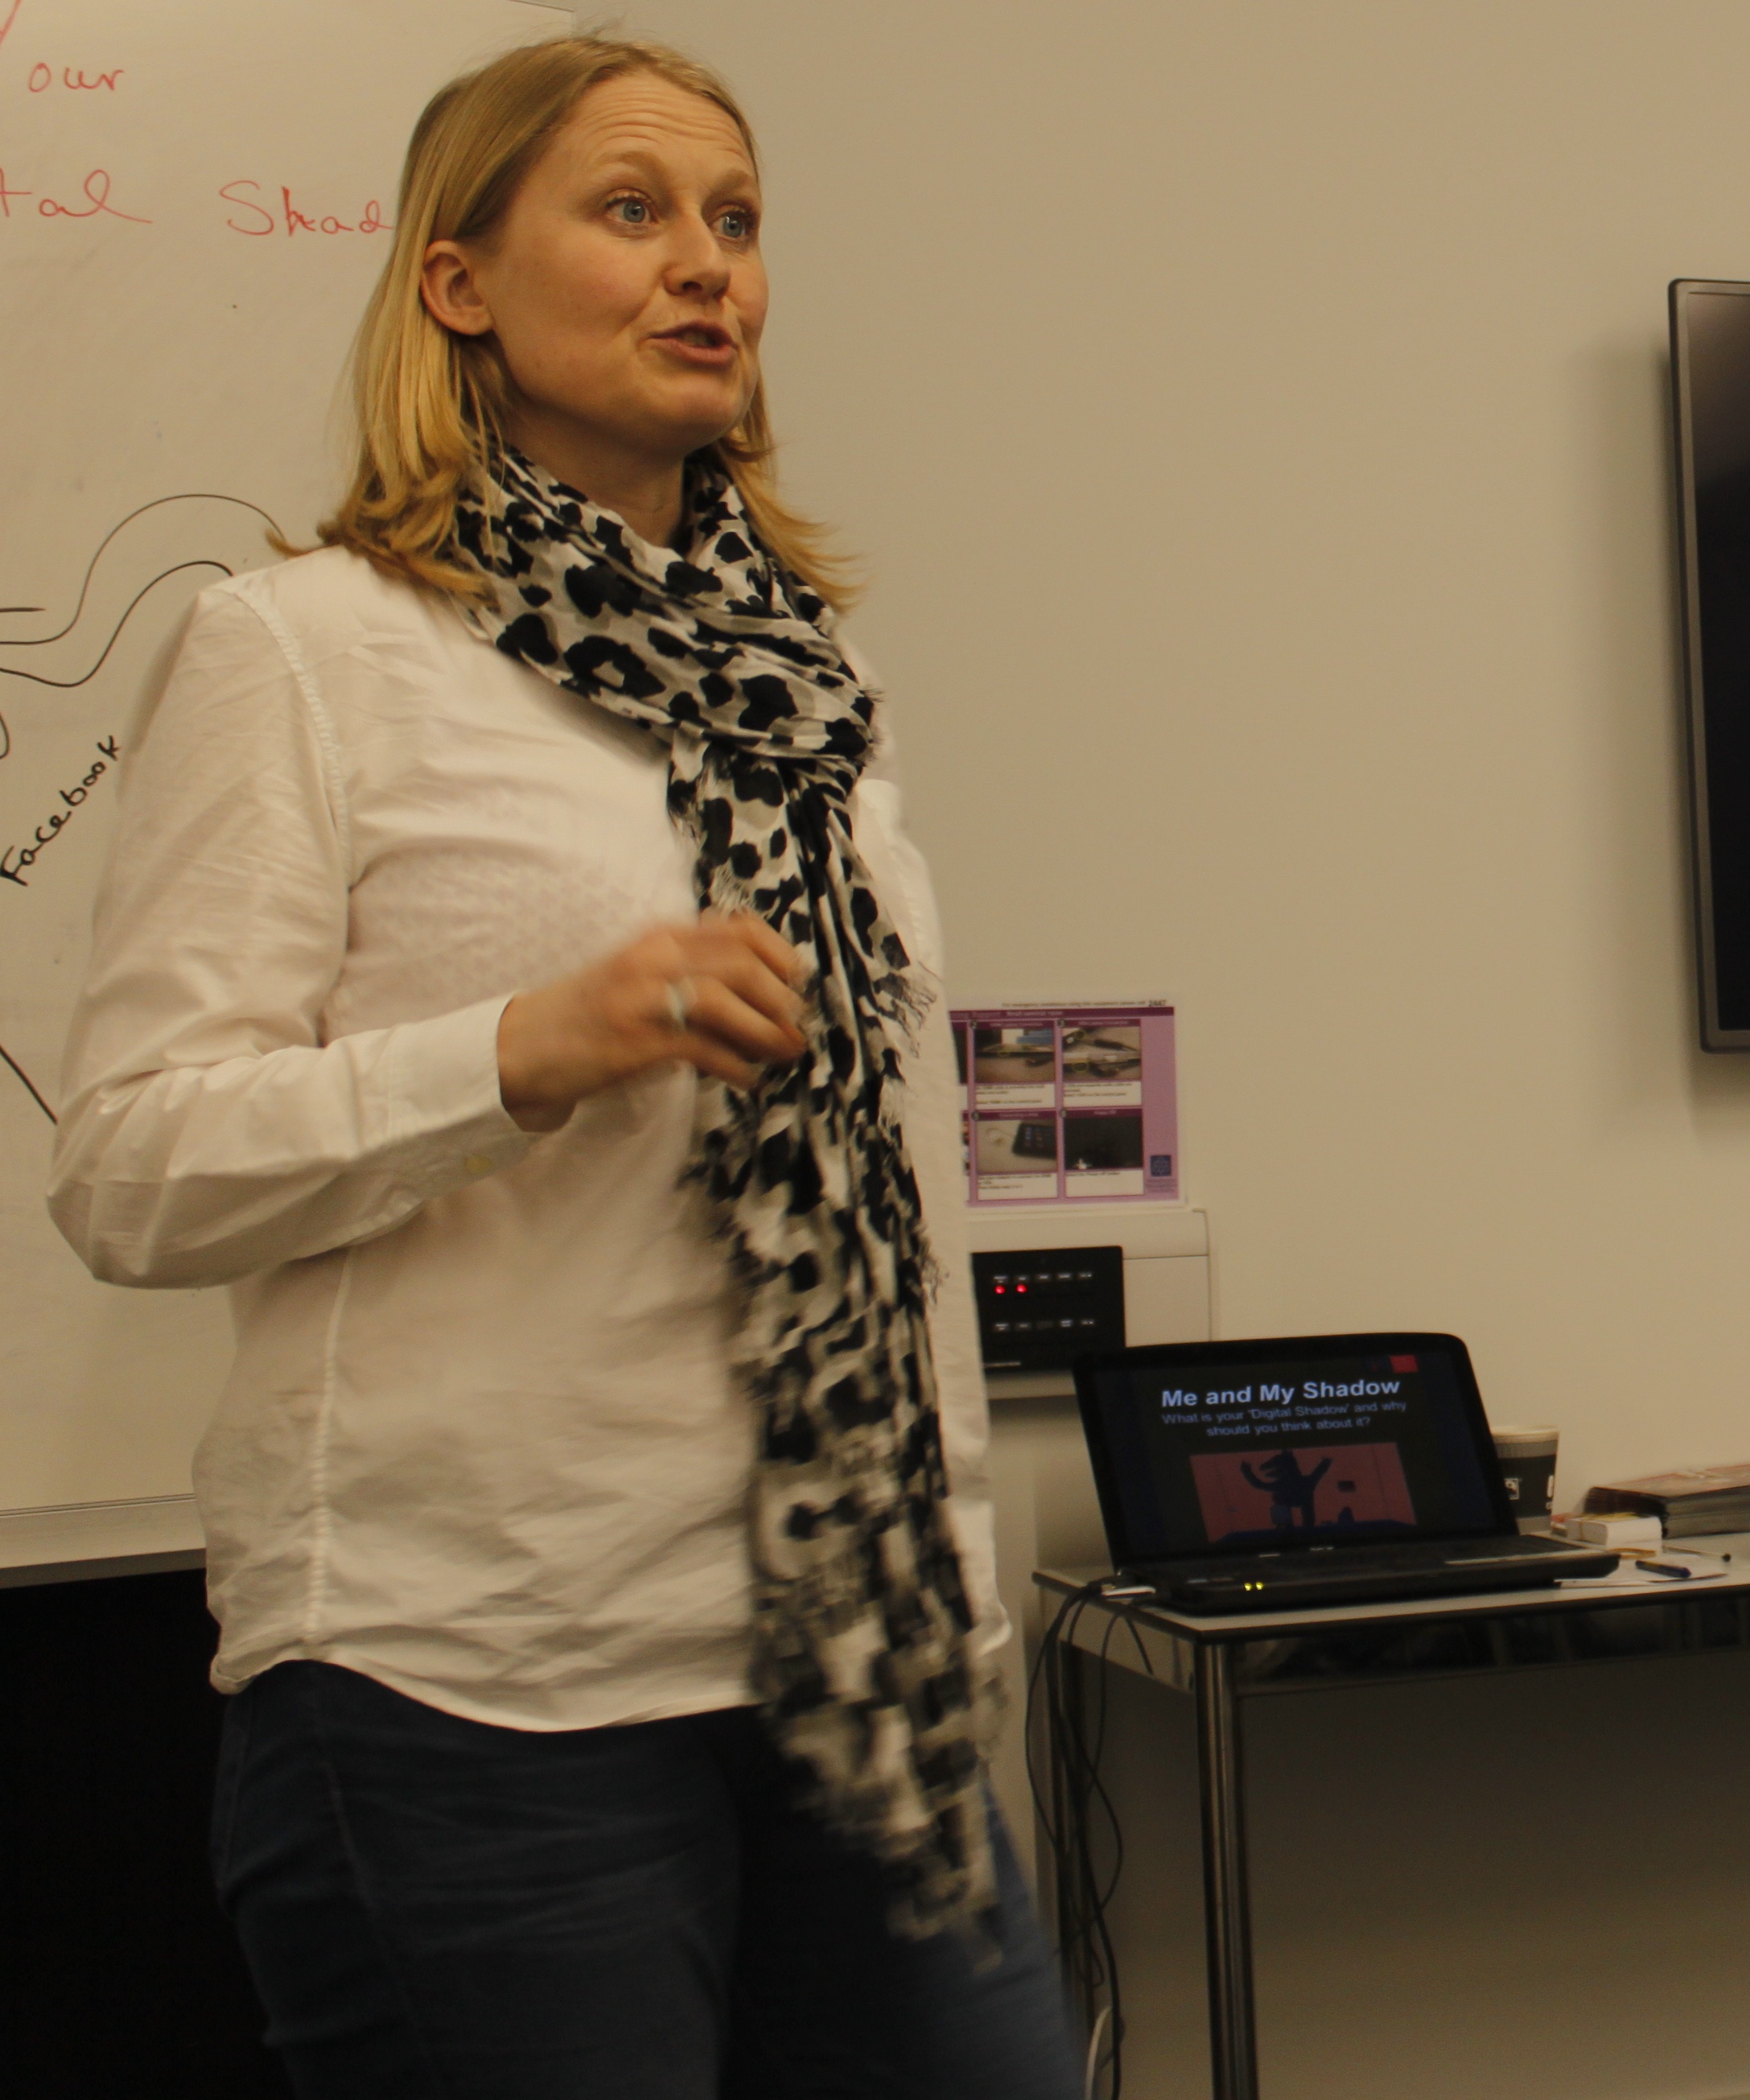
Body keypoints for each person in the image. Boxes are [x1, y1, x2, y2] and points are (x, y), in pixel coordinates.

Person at [46, 35, 1085, 2097]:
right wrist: (519, 1050)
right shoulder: (308, 647)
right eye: (631, 213)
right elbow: (129, 1167)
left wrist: (950, 1585)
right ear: (458, 284)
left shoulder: (810, 694)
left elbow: (889, 1194)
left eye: (736, 219)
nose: (708, 268)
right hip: (476, 1697)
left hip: (851, 1681)